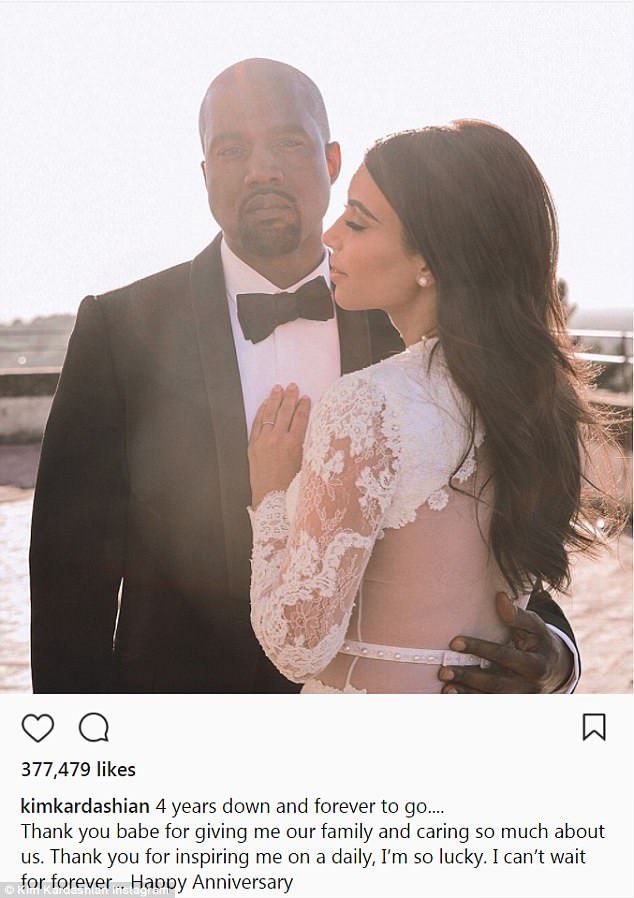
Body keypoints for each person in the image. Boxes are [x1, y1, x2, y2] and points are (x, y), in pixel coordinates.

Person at [30, 59, 578, 693]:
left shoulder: (417, 324)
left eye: (288, 142)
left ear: (332, 160)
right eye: (232, 149)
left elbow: (507, 524)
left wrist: (556, 654)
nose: (261, 168)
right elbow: (70, 567)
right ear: (205, 176)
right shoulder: (119, 328)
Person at [246, 119, 608, 693]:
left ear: (431, 262)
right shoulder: (533, 395)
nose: (331, 235)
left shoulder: (367, 404)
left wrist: (268, 498)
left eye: (359, 221)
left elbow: (296, 645)